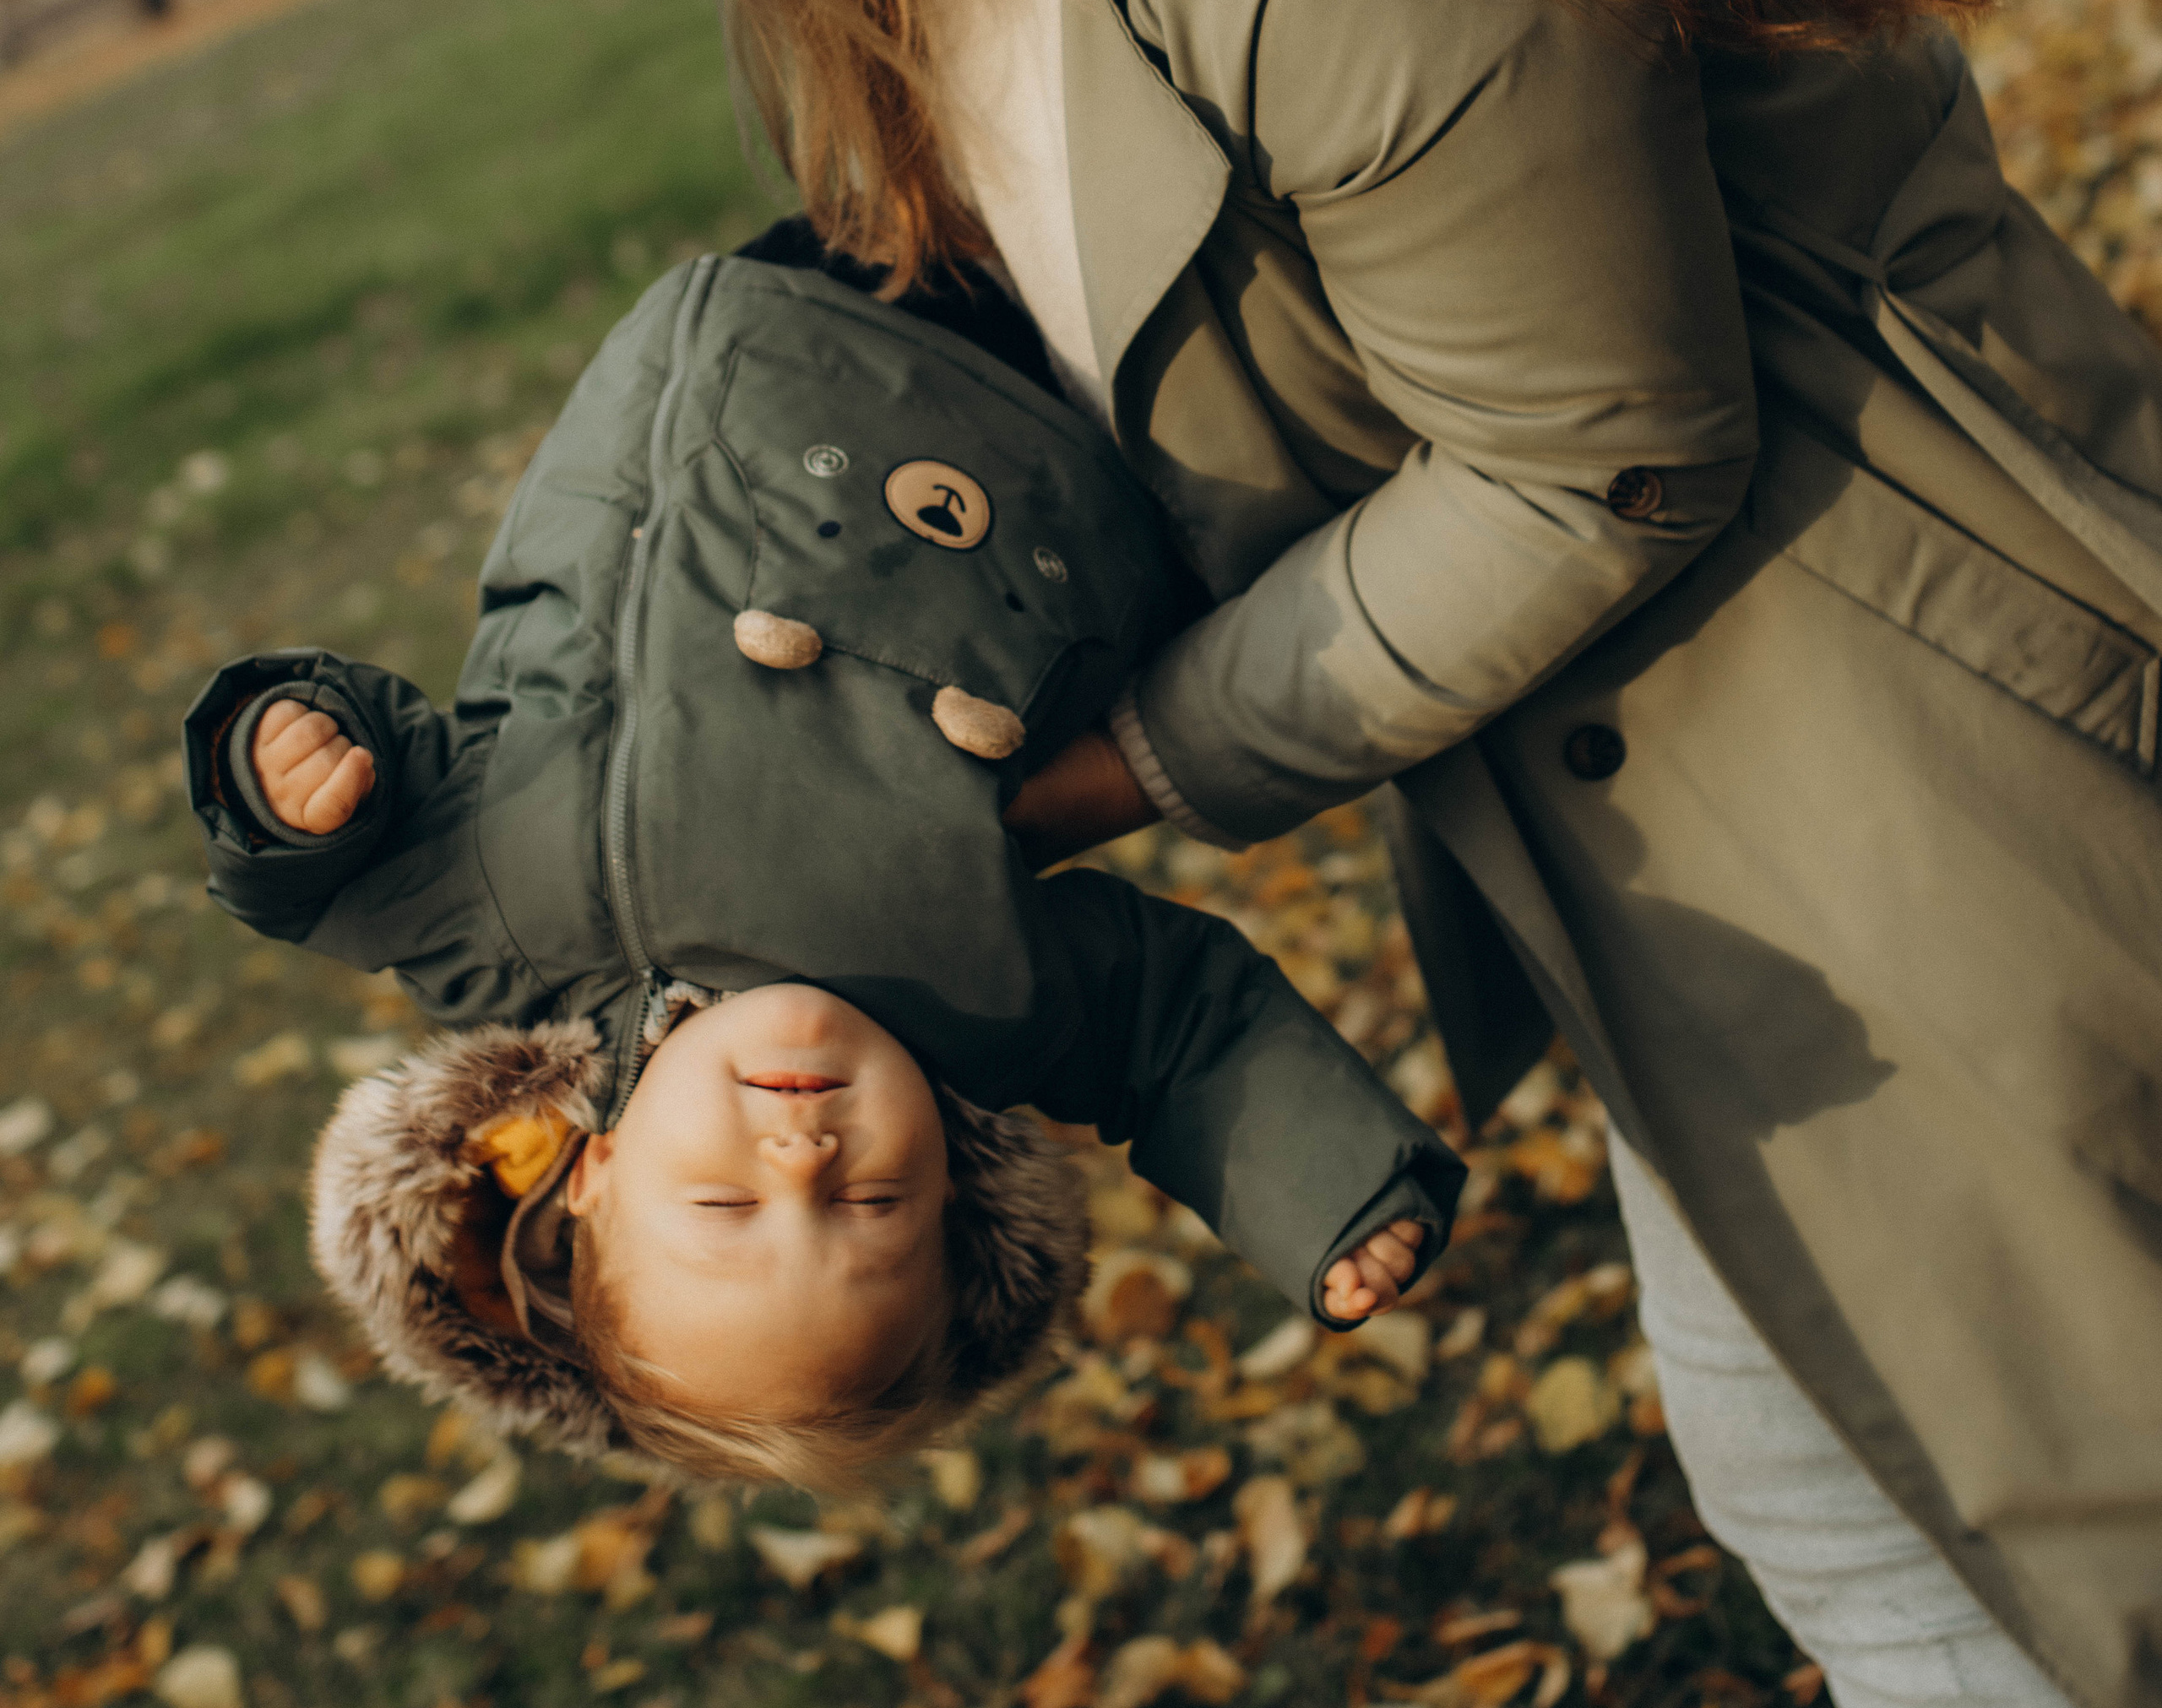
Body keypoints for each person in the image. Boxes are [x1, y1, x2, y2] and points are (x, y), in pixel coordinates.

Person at [500, 0, 2162, 1708]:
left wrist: (1114, 773)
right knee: (1885, 1534)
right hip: (1657, 832)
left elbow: (1591, 466)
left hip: (1909, 769)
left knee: (2043, 1580)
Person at [181, 233, 1459, 1486]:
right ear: (952, 1188)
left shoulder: (493, 945)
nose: (804, 1164)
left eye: (726, 1212)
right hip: (1027, 416)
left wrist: (291, 788)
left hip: (757, 328)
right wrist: (1326, 1192)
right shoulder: (982, 1003)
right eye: (875, 1210)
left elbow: (343, 865)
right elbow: (1181, 1023)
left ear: (598, 1178)